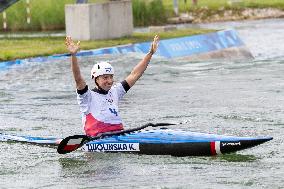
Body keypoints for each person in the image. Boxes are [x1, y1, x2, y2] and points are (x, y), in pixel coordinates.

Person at [65, 35, 159, 137]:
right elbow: (78, 79)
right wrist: (73, 55)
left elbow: (134, 74)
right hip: (98, 139)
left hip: (119, 136)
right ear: (96, 79)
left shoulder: (115, 91)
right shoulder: (87, 96)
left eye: (111, 77)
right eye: (105, 78)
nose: (109, 81)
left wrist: (150, 54)